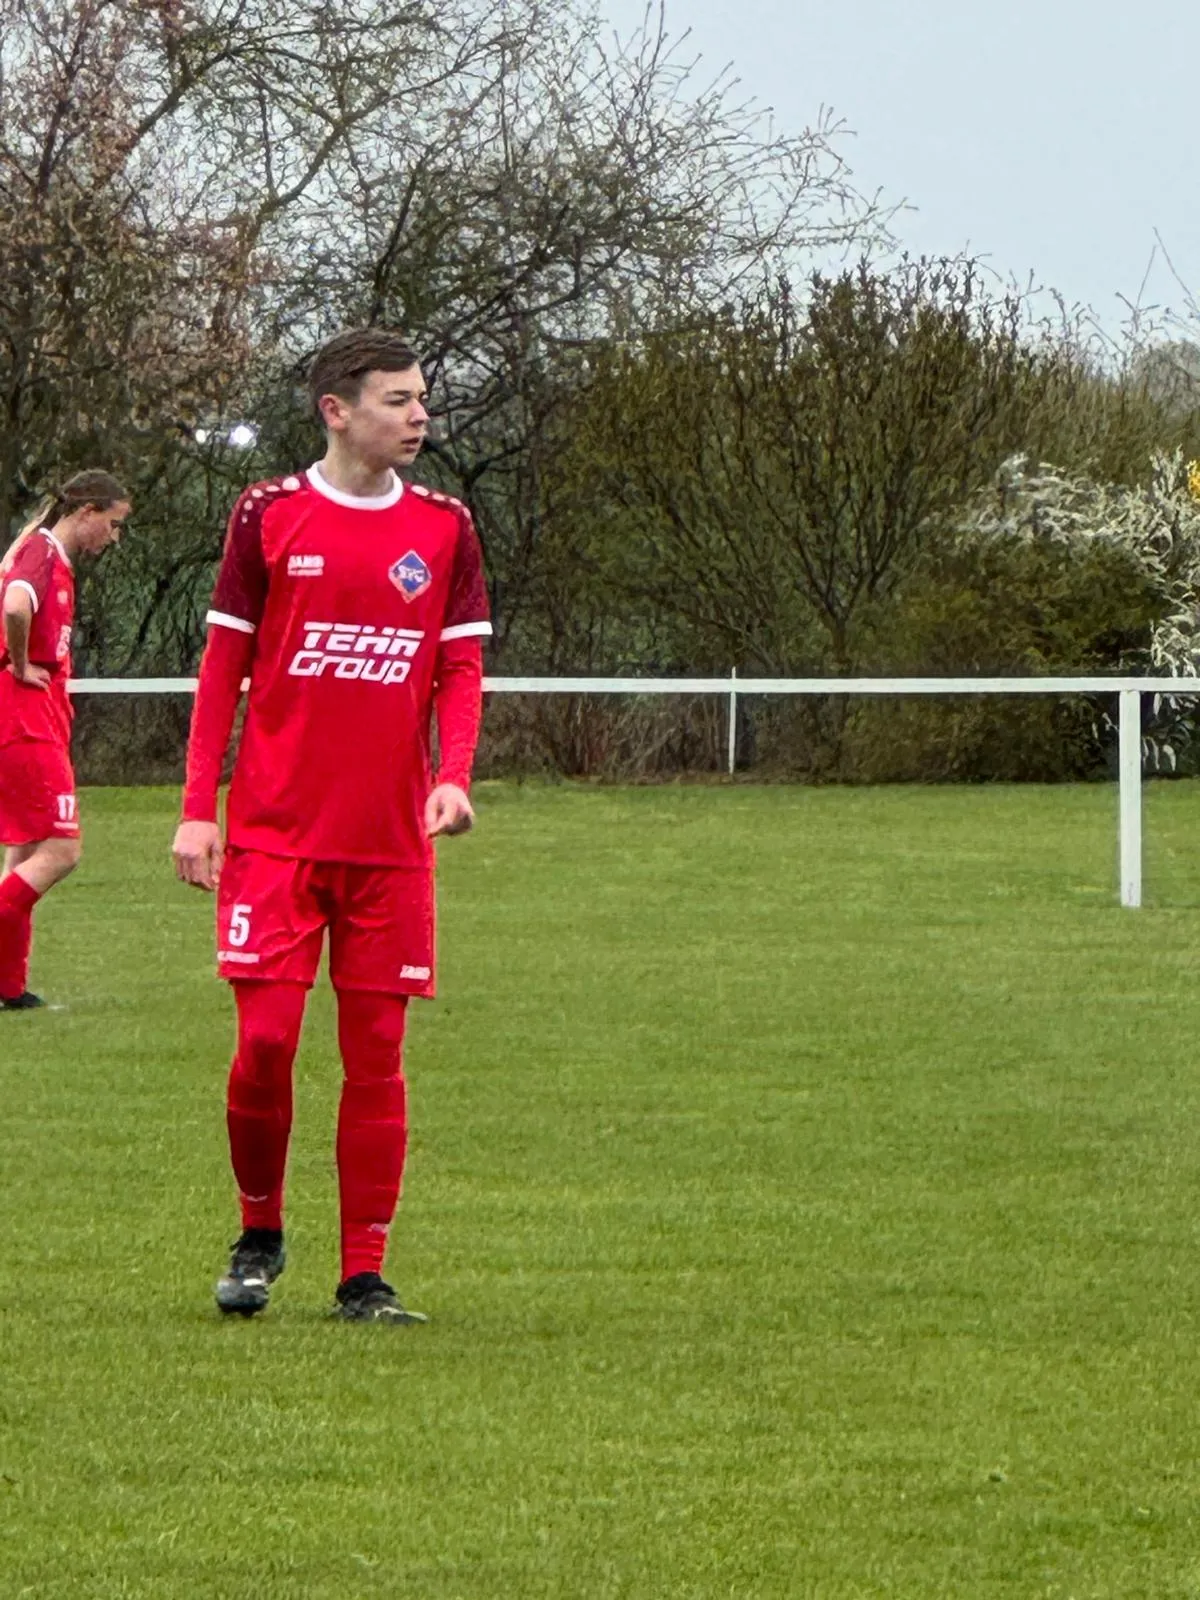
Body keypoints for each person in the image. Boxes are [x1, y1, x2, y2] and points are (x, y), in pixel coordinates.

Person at [172, 328, 491, 1324]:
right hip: (274, 834)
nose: (419, 414)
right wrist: (198, 809)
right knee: (266, 1043)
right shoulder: (267, 514)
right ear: (337, 411)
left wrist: (452, 775)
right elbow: (223, 667)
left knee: (377, 1056)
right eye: (398, 399)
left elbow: (461, 665)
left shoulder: (444, 527)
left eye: (421, 397)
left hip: (389, 846)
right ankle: (259, 1231)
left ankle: (364, 1275)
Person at [0, 471, 130, 1010]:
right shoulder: (42, 552)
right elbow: (15, 606)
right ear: (87, 512)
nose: (114, 537)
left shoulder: (49, 557)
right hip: (24, 719)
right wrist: (20, 663)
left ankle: (8, 986)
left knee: (26, 852)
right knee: (61, 848)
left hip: (34, 717)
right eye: (113, 523)